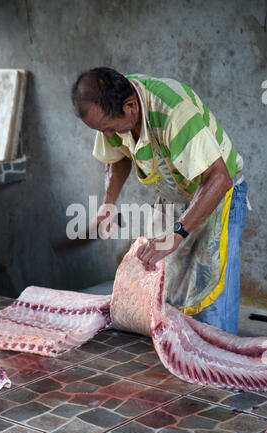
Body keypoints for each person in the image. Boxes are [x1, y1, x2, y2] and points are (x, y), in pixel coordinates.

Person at [71, 67, 248, 335]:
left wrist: (176, 233)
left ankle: (215, 370)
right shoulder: (109, 110)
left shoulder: (173, 112)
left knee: (209, 302)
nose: (106, 135)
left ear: (130, 106)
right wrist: (107, 206)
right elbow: (116, 157)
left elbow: (218, 178)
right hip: (174, 194)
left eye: (107, 128)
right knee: (163, 293)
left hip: (216, 193)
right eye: (100, 130)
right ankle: (181, 362)